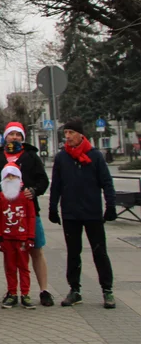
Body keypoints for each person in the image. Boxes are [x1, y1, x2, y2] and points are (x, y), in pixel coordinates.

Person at [0, 121, 54, 306]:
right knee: (11, 257)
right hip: (7, 216)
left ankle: (44, 290)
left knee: (36, 249)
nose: (14, 137)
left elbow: (43, 180)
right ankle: (12, 291)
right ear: (5, 137)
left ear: (22, 138)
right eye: (11, 134)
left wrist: (34, 190)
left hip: (29, 213)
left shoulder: (30, 156)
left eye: (18, 135)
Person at [49, 119, 117, 309]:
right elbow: (56, 185)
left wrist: (110, 205)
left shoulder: (95, 156)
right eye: (66, 134)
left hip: (92, 212)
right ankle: (75, 290)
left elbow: (107, 182)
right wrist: (53, 208)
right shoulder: (62, 158)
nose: (67, 137)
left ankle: (107, 290)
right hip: (71, 213)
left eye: (70, 133)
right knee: (73, 253)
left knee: (99, 252)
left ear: (80, 134)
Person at [0, 165, 36, 309]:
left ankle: (25, 293)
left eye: (14, 176)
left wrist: (30, 236)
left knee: (24, 267)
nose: (10, 179)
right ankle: (12, 293)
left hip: (23, 238)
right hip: (7, 238)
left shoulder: (25, 196)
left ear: (19, 178)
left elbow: (31, 216)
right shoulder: (0, 197)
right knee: (10, 267)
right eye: (7, 176)